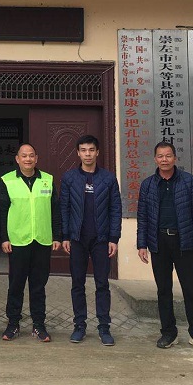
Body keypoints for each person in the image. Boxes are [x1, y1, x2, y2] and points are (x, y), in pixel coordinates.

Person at [137, 141, 193, 352]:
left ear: (174, 158)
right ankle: (168, 333)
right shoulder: (148, 185)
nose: (164, 160)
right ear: (155, 159)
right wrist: (142, 244)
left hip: (184, 242)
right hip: (158, 243)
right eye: (160, 156)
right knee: (163, 290)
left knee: (190, 289)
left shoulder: (188, 181)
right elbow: (142, 217)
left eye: (168, 155)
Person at [60, 135, 122, 346]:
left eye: (91, 150)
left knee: (102, 283)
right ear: (78, 153)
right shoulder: (69, 178)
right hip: (77, 239)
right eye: (84, 150)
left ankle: (104, 327)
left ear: (97, 152)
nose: (88, 154)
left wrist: (113, 238)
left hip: (101, 239)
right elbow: (64, 208)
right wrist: (65, 235)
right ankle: (79, 325)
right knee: (77, 283)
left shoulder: (108, 179)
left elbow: (115, 209)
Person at [0, 143, 61, 342]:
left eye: (31, 155)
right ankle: (13, 324)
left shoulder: (47, 180)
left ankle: (39, 325)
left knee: (38, 286)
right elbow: (1, 212)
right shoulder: (7, 180)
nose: (28, 159)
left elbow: (55, 210)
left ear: (36, 158)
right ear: (17, 159)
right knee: (15, 285)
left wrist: (57, 236)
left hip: (42, 241)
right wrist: (4, 238)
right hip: (18, 241)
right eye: (24, 156)